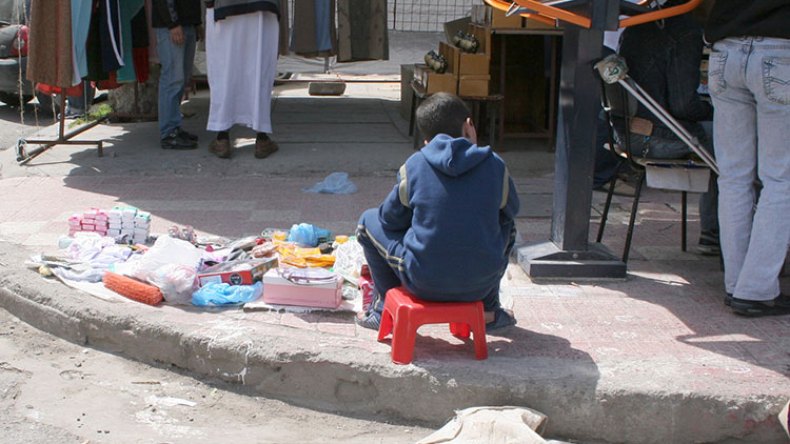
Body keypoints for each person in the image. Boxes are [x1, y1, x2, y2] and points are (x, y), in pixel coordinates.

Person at [355, 93, 520, 332]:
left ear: (426, 141)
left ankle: (382, 311)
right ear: (469, 125)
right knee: (508, 224)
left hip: (422, 281)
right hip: (481, 283)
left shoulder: (414, 165)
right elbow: (512, 210)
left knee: (366, 221)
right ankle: (489, 310)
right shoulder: (495, 165)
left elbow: (388, 219)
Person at [704, 0, 790, 316]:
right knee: (780, 180)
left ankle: (737, 283)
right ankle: (755, 290)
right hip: (782, 49)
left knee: (733, 177)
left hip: (725, 50)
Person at [616, 0, 720, 255]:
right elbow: (683, 106)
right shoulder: (685, 30)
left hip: (626, 133)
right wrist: (719, 109)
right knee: (736, 146)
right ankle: (716, 234)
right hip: (656, 137)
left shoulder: (636, 26)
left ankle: (713, 234)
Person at [204, 0, 280, 160]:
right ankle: (262, 137)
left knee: (224, 69)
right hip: (263, 6)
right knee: (258, 70)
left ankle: (222, 136)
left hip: (225, 6)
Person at [152, 0, 201, 150]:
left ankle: (174, 127)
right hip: (172, 26)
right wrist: (172, 23)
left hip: (186, 23)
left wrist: (196, 22)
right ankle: (168, 132)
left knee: (181, 78)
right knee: (172, 78)